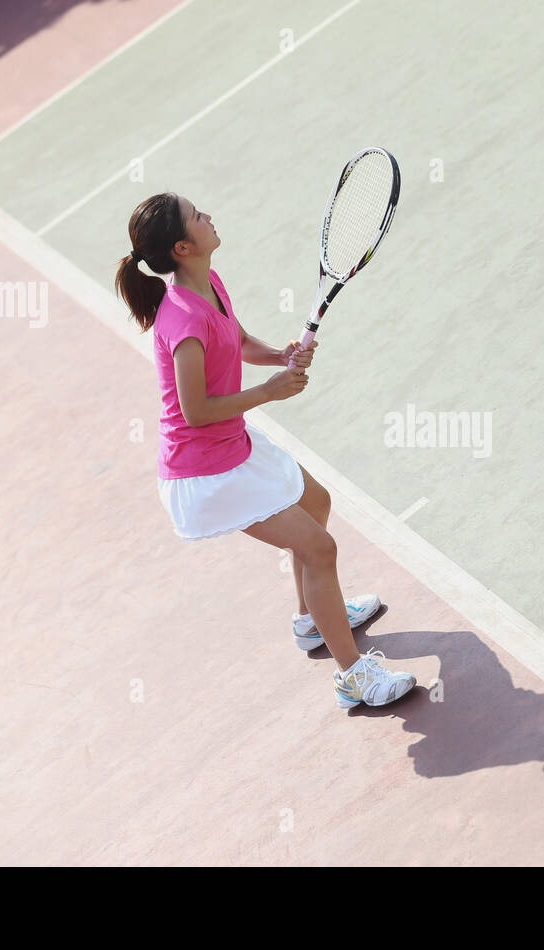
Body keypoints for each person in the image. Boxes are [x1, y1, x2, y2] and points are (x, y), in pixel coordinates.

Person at [114, 192, 416, 710]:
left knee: (315, 502)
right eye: (197, 216)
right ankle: (354, 679)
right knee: (320, 548)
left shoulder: (208, 283)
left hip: (231, 444)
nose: (209, 214)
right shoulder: (182, 320)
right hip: (206, 471)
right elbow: (195, 411)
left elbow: (236, 338)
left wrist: (279, 354)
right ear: (183, 246)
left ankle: (311, 620)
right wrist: (268, 392)